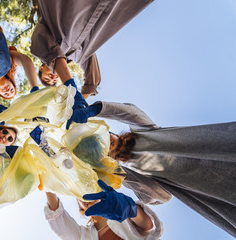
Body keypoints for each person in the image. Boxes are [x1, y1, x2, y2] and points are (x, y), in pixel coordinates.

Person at [67, 101, 236, 237]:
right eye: (103, 151)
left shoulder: (145, 133)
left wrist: (97, 109)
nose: (108, 146)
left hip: (218, 150)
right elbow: (161, 195)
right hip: (213, 192)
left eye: (104, 139)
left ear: (111, 133)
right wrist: (118, 173)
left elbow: (132, 112)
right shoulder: (132, 173)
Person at [31, 0, 153, 99]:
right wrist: (77, 106)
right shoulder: (78, 55)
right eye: (55, 81)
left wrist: (69, 85)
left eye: (47, 78)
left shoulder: (37, 46)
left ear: (41, 68)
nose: (53, 78)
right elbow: (93, 80)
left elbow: (51, 52)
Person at [45, 180, 163, 240]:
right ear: (81, 207)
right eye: (80, 196)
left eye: (89, 191)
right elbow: (57, 216)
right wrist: (48, 181)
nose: (85, 197)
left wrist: (129, 208)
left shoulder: (119, 211)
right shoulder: (82, 235)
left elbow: (148, 226)